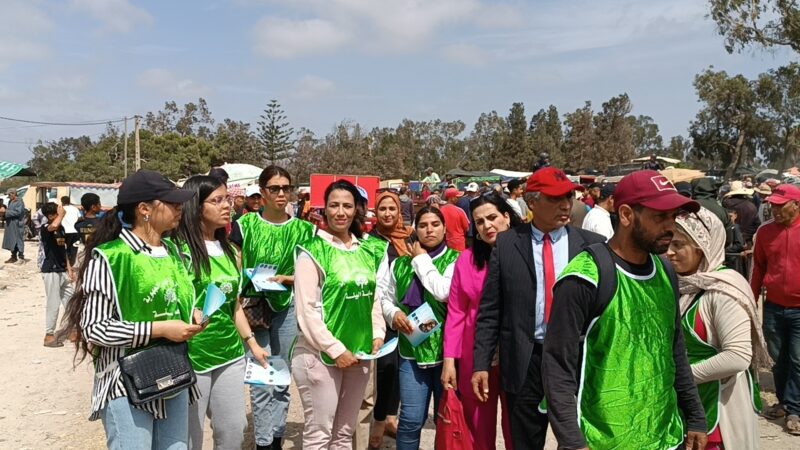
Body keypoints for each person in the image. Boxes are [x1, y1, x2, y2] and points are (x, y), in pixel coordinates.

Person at [542, 170, 708, 450]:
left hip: (666, 436)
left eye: (673, 217)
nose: (670, 227)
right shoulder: (585, 277)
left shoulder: (665, 270)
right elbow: (557, 366)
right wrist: (572, 441)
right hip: (602, 440)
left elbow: (675, 348)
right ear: (627, 215)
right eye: (660, 217)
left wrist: (695, 416)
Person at [62, 169, 203, 448]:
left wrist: (192, 314)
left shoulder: (175, 252)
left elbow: (172, 300)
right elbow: (94, 328)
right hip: (126, 383)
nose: (180, 208)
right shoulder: (112, 258)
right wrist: (160, 329)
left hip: (173, 374)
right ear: (144, 209)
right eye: (171, 202)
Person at [471, 167, 605, 450]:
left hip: (575, 359)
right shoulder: (507, 244)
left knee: (576, 440)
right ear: (531, 202)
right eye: (555, 199)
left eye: (568, 197)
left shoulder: (592, 246)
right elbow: (491, 310)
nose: (565, 205)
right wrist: (481, 363)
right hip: (524, 361)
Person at [174, 175, 270, 450]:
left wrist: (252, 343)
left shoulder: (232, 251)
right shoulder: (178, 251)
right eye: (217, 200)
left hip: (230, 353)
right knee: (190, 436)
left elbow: (234, 304)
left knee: (233, 430)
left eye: (226, 199)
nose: (226, 205)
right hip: (192, 356)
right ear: (196, 206)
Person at [292, 180, 388, 449]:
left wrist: (377, 333)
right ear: (324, 209)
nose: (341, 212)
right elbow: (306, 311)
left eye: (347, 205)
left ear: (356, 209)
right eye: (334, 205)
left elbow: (373, 298)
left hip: (360, 353)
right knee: (319, 435)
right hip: (320, 355)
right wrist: (335, 349)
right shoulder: (312, 251)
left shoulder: (367, 250)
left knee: (344, 433)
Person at [668, 207, 770, 449]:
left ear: (703, 247)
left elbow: (737, 356)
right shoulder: (679, 285)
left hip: (719, 409)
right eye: (668, 242)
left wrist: (679, 378)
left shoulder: (723, 291)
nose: (669, 252)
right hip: (683, 406)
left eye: (679, 245)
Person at [229, 166, 316, 450]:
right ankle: (264, 442)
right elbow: (234, 267)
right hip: (255, 308)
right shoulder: (245, 226)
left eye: (286, 188)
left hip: (287, 307)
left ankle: (277, 436)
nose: (281, 194)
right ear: (262, 192)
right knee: (260, 377)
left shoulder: (305, 230)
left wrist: (286, 279)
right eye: (274, 188)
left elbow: (313, 273)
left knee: (281, 376)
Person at [442, 193, 518, 450]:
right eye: (480, 222)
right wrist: (450, 361)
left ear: (507, 217)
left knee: (516, 428)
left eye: (492, 217)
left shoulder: (526, 256)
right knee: (477, 429)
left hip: (515, 353)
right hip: (476, 355)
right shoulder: (466, 259)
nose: (487, 226)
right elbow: (456, 312)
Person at [380, 206, 459, 450]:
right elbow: (385, 298)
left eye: (435, 224)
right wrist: (394, 314)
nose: (429, 230)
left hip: (448, 356)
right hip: (411, 352)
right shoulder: (399, 264)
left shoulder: (456, 260)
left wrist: (420, 259)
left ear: (444, 228)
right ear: (415, 230)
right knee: (410, 421)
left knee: (446, 420)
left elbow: (442, 292)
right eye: (423, 225)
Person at [751, 184, 800, 435]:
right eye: (772, 205)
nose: (775, 210)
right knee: (777, 360)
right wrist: (750, 298)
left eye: (781, 206)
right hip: (773, 307)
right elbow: (759, 267)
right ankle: (784, 402)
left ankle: (795, 410)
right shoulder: (765, 232)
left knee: (798, 359)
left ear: (796, 205)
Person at [366, 190, 415, 447]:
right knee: (385, 367)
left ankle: (390, 419)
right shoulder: (370, 240)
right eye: (382, 209)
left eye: (392, 208)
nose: (387, 213)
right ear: (376, 212)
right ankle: (378, 421)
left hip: (409, 314)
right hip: (380, 312)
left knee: (400, 368)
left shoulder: (410, 238)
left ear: (399, 211)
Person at [39, 202, 75, 347]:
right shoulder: (45, 228)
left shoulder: (62, 228)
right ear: (51, 215)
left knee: (71, 301)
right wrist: (61, 215)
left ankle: (72, 330)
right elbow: (52, 226)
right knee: (53, 303)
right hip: (51, 271)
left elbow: (63, 249)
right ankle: (49, 335)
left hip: (62, 270)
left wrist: (69, 268)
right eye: (57, 212)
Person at [2, 188, 26, 264]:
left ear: (13, 194)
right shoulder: (10, 201)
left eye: (9, 195)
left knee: (18, 240)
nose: (9, 196)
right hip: (11, 224)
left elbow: (18, 212)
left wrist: (6, 211)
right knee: (12, 240)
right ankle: (13, 257)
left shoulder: (19, 201)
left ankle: (21, 258)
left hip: (17, 224)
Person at [61, 196, 81, 265]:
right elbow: (80, 218)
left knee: (64, 248)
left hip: (65, 231)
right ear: (69, 201)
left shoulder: (61, 209)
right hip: (75, 231)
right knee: (74, 249)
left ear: (62, 201)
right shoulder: (75, 209)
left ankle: (66, 264)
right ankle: (72, 263)